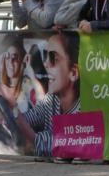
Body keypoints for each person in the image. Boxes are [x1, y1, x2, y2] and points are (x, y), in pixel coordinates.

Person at [16, 31, 80, 159]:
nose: (45, 63)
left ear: (73, 73)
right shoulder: (52, 99)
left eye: (53, 58)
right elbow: (31, 118)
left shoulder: (83, 109)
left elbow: (46, 143)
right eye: (45, 55)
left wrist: (10, 107)